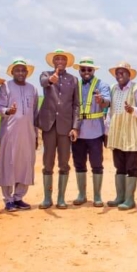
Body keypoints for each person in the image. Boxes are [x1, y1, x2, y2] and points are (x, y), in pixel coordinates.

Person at [0, 58, 39, 211]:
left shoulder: (33, 89)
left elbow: (34, 113)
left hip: (28, 133)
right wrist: (8, 111)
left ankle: (19, 197)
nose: (20, 72)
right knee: (9, 162)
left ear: (27, 72)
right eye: (17, 70)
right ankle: (8, 199)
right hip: (10, 132)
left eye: (23, 70)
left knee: (25, 163)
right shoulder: (5, 87)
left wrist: (36, 135)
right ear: (12, 72)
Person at [38, 49, 80, 209]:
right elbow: (44, 82)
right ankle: (47, 198)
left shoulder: (73, 80)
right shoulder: (44, 74)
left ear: (67, 62)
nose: (60, 62)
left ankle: (61, 198)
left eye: (63, 59)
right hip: (49, 125)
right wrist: (51, 79)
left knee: (64, 162)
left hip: (65, 127)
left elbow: (76, 105)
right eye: (57, 59)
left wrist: (75, 127)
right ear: (53, 62)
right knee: (48, 162)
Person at [106, 62, 137, 210]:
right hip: (117, 133)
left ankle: (130, 199)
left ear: (129, 74)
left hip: (132, 133)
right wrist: (107, 131)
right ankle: (120, 197)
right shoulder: (112, 89)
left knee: (131, 165)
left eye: (123, 72)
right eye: (118, 73)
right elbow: (110, 112)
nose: (120, 75)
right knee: (119, 166)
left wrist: (133, 109)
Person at [72, 57, 111, 207]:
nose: (86, 72)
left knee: (96, 164)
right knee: (79, 163)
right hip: (78, 131)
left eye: (89, 69)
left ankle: (97, 196)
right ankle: (81, 195)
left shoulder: (102, 85)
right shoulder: (75, 86)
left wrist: (101, 101)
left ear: (94, 70)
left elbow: (107, 101)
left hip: (95, 131)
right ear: (79, 71)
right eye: (83, 69)